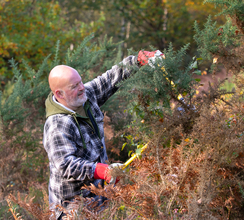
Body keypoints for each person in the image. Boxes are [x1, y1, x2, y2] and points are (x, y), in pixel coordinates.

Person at [43, 50, 162, 219]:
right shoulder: (57, 124)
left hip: (98, 199)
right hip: (71, 209)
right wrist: (102, 170)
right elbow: (65, 165)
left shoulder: (84, 96)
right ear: (59, 94)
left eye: (80, 82)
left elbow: (109, 79)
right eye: (74, 86)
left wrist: (137, 61)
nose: (82, 88)